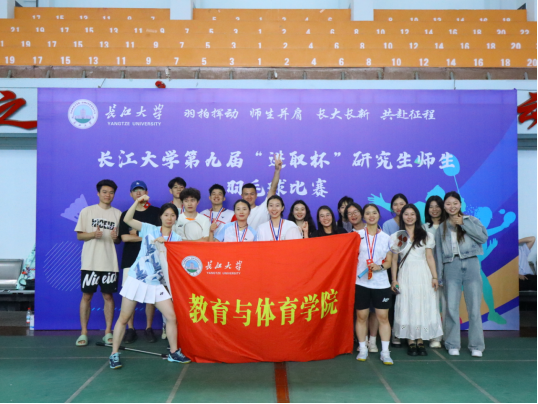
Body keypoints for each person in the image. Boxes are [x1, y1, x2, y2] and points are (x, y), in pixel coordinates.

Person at [109, 196, 191, 369]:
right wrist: (137, 201)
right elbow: (127, 219)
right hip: (137, 279)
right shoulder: (148, 228)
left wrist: (166, 243)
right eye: (166, 215)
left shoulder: (177, 239)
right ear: (160, 216)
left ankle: (174, 352)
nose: (169, 218)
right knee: (123, 318)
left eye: (173, 215)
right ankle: (114, 354)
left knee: (171, 317)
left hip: (157, 284)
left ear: (176, 218)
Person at [435, 191, 488, 358]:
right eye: (448, 204)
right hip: (451, 265)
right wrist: (439, 275)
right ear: (444, 206)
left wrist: (463, 223)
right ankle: (452, 344)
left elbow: (483, 238)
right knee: (451, 307)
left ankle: (476, 345)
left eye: (455, 203)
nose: (452, 206)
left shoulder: (472, 220)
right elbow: (438, 253)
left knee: (474, 308)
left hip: (471, 263)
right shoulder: (441, 227)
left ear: (460, 204)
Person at [391, 204, 443, 357]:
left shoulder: (426, 235)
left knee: (421, 304)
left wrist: (435, 277)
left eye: (412, 214)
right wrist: (394, 280)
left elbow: (429, 257)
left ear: (417, 216)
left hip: (423, 274)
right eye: (406, 214)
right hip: (405, 274)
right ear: (402, 217)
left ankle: (420, 339)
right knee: (407, 304)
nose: (409, 217)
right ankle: (410, 340)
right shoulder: (398, 236)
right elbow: (394, 260)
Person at [74, 180, 121, 347]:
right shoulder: (87, 211)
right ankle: (83, 332)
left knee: (108, 296)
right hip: (90, 262)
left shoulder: (118, 214)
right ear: (98, 193)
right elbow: (79, 235)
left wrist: (116, 238)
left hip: (109, 263)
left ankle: (108, 332)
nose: (108, 195)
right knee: (87, 296)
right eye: (104, 192)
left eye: (111, 192)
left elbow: (118, 240)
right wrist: (93, 234)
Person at [118, 181, 162, 344]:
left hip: (151, 260)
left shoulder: (156, 212)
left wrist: (137, 236)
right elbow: (125, 238)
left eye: (141, 190)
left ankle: (148, 328)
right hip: (131, 259)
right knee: (130, 295)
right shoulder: (126, 214)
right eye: (135, 191)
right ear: (131, 194)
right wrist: (147, 236)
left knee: (151, 295)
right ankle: (130, 329)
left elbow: (159, 235)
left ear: (146, 192)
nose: (138, 193)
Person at [355, 204, 394, 366]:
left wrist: (380, 267)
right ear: (363, 216)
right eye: (367, 213)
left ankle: (385, 352)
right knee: (361, 317)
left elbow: (389, 261)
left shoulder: (387, 237)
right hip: (361, 283)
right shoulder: (356, 236)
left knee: (383, 317)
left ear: (378, 215)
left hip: (381, 284)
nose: (371, 216)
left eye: (374, 213)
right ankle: (363, 348)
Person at [423, 195, 445, 349]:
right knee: (432, 304)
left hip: (448, 269)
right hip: (429, 272)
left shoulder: (449, 225)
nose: (434, 209)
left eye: (437, 206)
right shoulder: (424, 228)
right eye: (431, 206)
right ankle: (434, 336)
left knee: (447, 305)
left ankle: (448, 337)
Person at [242, 153, 283, 232]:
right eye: (246, 194)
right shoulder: (238, 212)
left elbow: (273, 188)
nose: (249, 197)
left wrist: (277, 171)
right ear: (242, 196)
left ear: (256, 195)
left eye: (252, 194)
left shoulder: (263, 208)